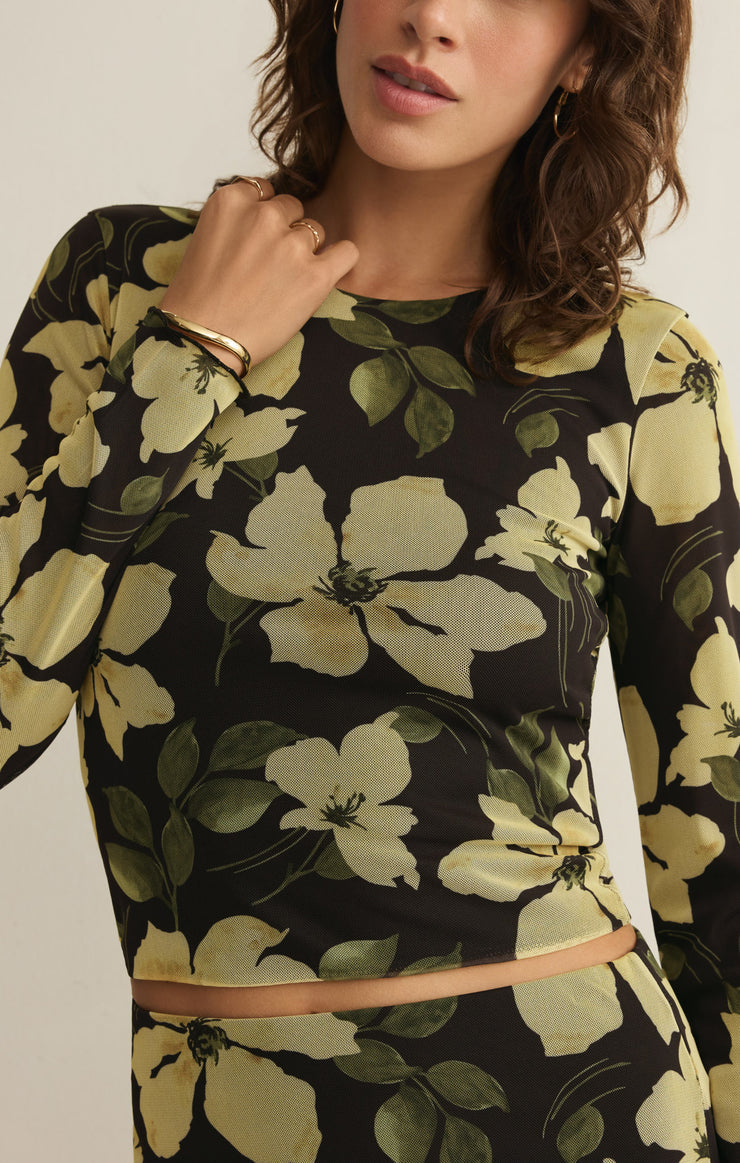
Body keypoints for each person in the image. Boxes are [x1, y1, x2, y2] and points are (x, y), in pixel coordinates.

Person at [1, 0, 738, 1158]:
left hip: (576, 1102)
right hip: (221, 1119)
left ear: (584, 52)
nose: (432, 17)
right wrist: (192, 353)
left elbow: (713, 828)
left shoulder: (635, 370)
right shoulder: (123, 285)